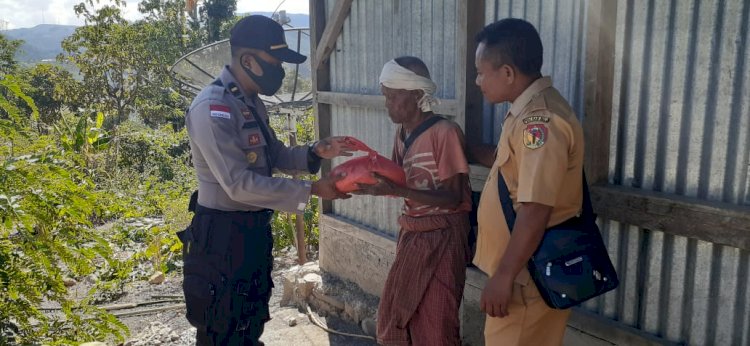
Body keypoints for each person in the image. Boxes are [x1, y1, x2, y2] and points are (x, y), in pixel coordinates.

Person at [180, 15, 353, 346]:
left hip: (251, 231)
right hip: (221, 238)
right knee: (224, 328)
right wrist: (314, 190)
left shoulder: (250, 102)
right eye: (276, 63)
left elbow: (273, 155)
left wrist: (316, 151)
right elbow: (239, 185)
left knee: (250, 317)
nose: (281, 72)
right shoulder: (213, 108)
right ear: (248, 60)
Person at [469, 18, 585, 345]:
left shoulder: (540, 121)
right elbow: (512, 169)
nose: (478, 81)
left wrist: (504, 276)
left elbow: (535, 208)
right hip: (524, 269)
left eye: (481, 72)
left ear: (507, 73)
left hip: (526, 276)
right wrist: (470, 150)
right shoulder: (525, 112)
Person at [354, 56, 472, 345]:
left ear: (418, 95)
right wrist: (367, 183)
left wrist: (401, 192)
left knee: (437, 320)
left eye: (393, 97)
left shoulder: (445, 133)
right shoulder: (403, 133)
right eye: (386, 97)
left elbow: (453, 196)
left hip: (443, 235)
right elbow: (398, 180)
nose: (387, 104)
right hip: (414, 232)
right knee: (399, 313)